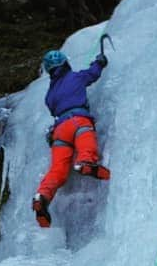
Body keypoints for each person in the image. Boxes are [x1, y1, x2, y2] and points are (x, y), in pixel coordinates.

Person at [32, 49, 111, 228]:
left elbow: (53, 109)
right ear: (65, 64)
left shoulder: (49, 95)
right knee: (86, 141)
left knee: (58, 169)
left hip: (59, 131)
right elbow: (92, 74)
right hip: (78, 120)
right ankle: (86, 162)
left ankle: (42, 196)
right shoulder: (75, 77)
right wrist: (99, 62)